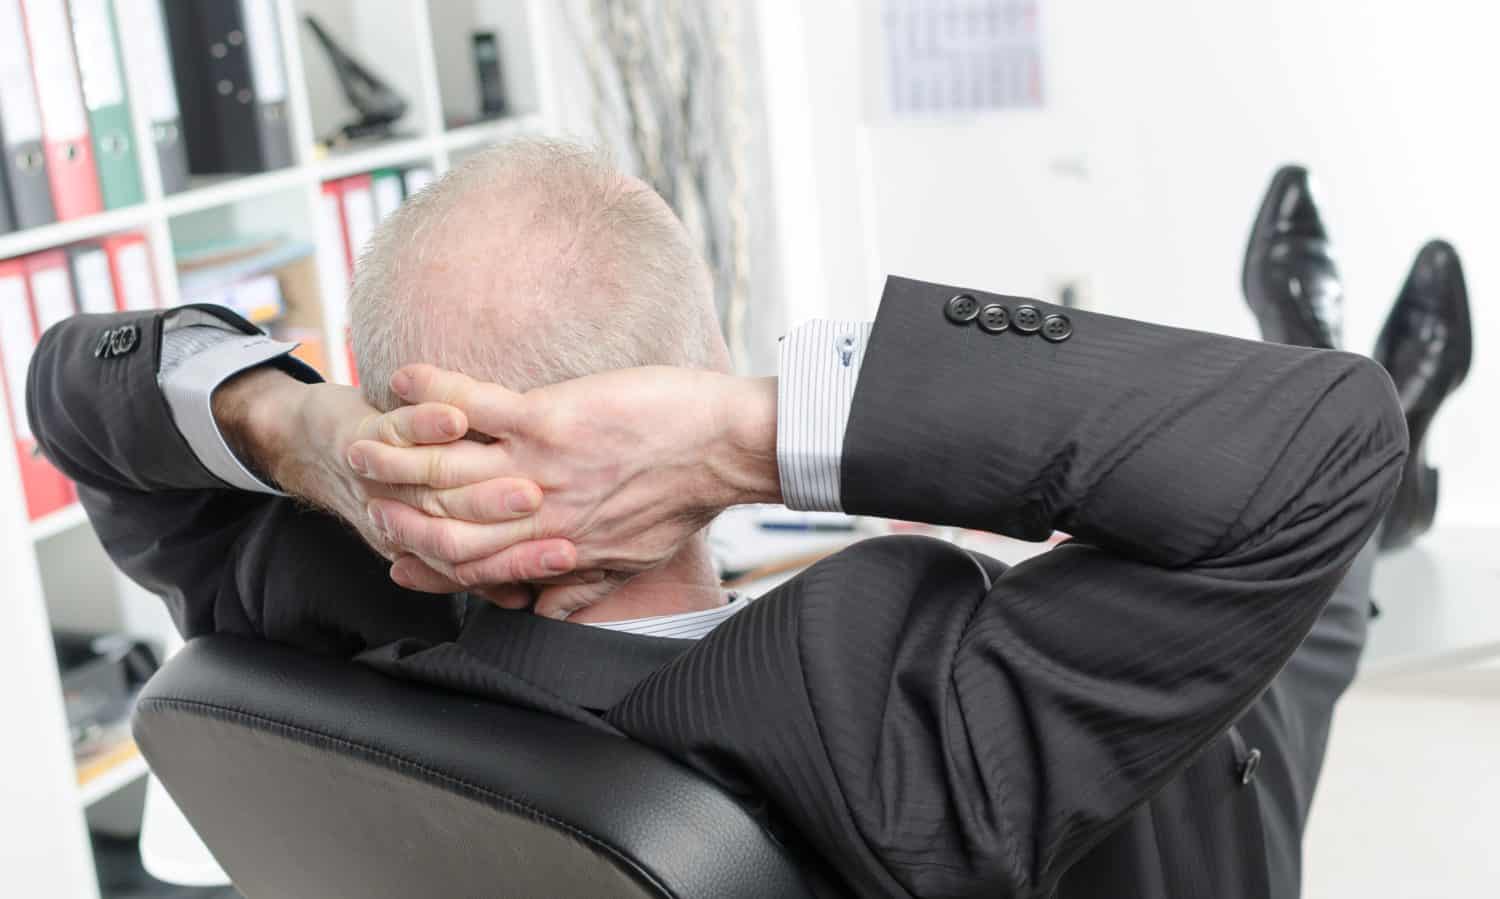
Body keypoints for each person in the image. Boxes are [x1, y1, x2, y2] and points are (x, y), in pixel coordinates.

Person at [28, 139, 1409, 898]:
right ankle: (1351, 379)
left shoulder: (305, 613)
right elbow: (1322, 440)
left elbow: (69, 389)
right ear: (673, 379)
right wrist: (747, 433)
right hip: (1182, 825)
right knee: (1302, 621)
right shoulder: (880, 731)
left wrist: (299, 432)